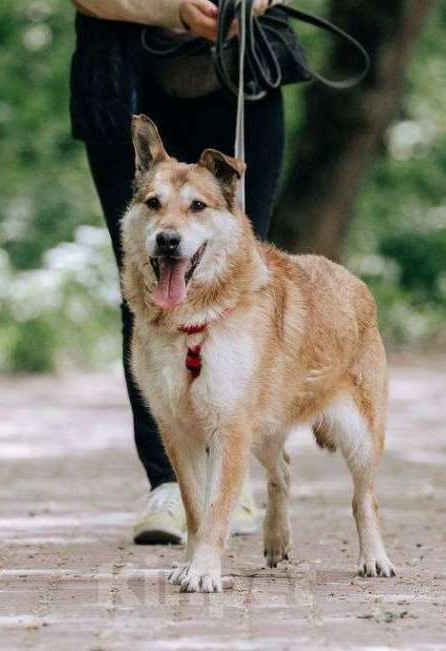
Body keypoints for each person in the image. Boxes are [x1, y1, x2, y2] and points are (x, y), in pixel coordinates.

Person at [69, 0, 288, 544]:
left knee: (242, 287)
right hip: (124, 77)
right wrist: (174, 10)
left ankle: (230, 474)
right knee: (146, 287)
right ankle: (168, 482)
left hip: (244, 73)